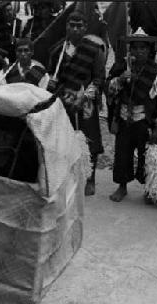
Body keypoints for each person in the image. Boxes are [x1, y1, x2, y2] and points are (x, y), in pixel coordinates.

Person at [106, 27, 157, 203]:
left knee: (146, 155)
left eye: (143, 48)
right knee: (122, 154)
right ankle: (122, 186)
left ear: (149, 50)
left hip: (144, 120)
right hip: (124, 118)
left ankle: (148, 188)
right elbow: (108, 88)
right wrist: (119, 80)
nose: (139, 51)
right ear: (130, 49)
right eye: (135, 47)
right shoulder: (120, 66)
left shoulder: (156, 70)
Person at [47, 10, 106, 196]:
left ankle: (90, 179)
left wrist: (85, 96)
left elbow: (98, 79)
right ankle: (67, 176)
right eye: (71, 25)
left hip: (86, 101)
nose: (75, 29)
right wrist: (50, 83)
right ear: (66, 26)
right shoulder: (57, 51)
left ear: (85, 27)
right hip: (64, 101)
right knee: (64, 140)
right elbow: (51, 77)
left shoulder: (95, 49)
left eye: (79, 25)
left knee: (90, 140)